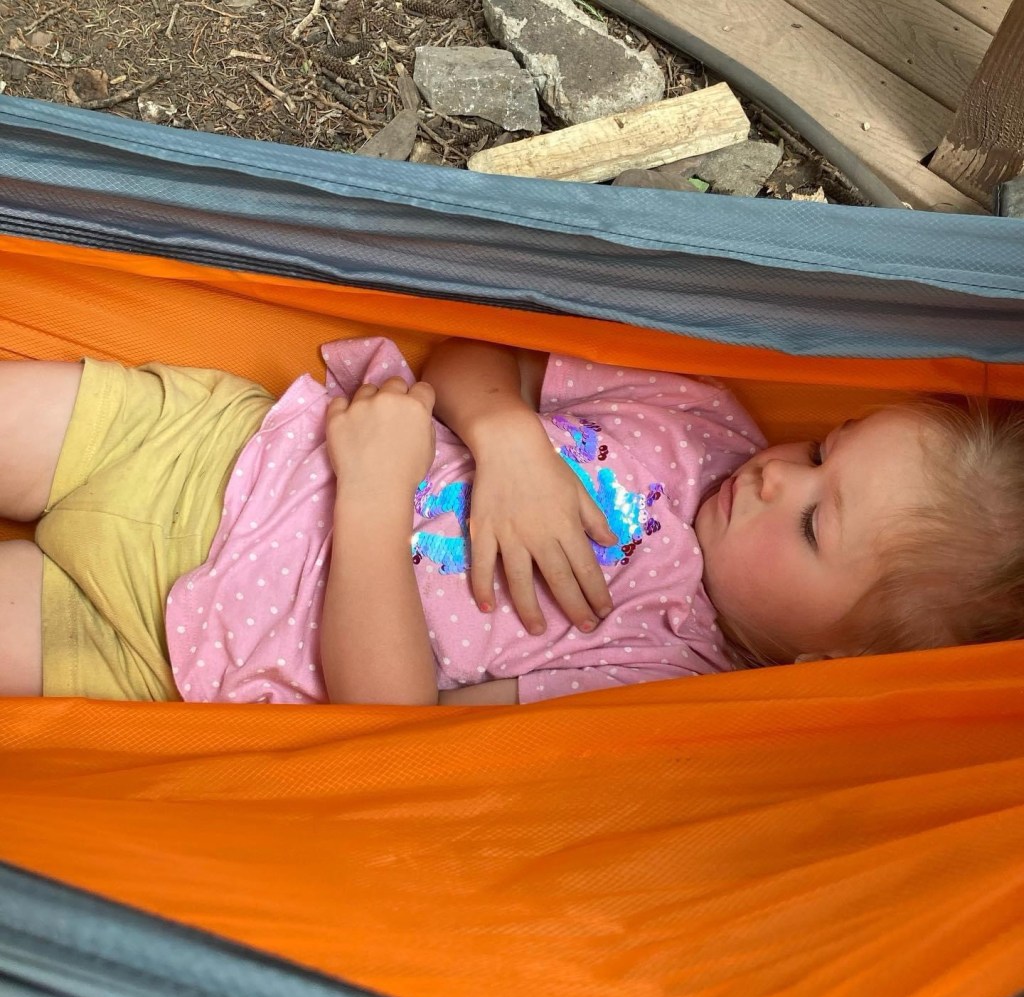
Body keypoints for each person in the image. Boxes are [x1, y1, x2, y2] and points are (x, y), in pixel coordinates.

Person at [0, 337, 1021, 704]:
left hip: (173, 645)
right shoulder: (699, 420)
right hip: (208, 449)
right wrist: (506, 435)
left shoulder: (653, 684)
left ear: (833, 661)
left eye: (811, 524)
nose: (773, 480)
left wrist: (374, 494)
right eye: (820, 452)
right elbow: (476, 353)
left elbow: (390, 725)